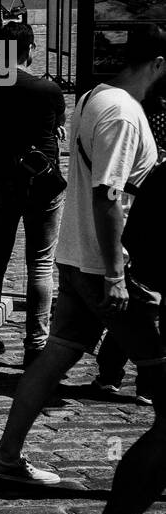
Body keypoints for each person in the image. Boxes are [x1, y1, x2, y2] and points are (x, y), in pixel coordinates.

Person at [0, 25, 166, 514]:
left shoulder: (92, 96)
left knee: (57, 353)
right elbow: (109, 193)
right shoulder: (122, 112)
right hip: (107, 268)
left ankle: (7, 453)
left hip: (76, 258)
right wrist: (116, 273)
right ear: (157, 63)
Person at [0, 20, 66, 365]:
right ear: (32, 49)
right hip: (41, 186)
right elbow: (54, 128)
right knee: (40, 264)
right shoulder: (47, 90)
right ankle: (36, 345)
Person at [92, 87, 166, 397]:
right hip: (146, 215)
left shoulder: (140, 110)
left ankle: (112, 372)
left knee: (139, 306)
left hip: (139, 217)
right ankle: (147, 382)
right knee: (146, 306)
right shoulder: (148, 116)